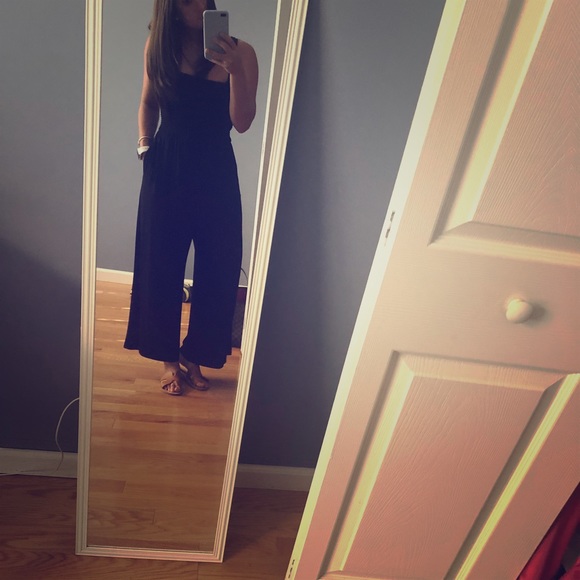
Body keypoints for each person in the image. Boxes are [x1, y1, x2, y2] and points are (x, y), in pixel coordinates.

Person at [124, 0, 259, 395]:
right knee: (159, 262)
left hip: (215, 168)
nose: (197, 5)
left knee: (219, 264)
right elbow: (148, 102)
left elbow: (242, 122)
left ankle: (194, 355)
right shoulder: (157, 47)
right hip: (165, 165)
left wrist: (235, 71)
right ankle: (168, 359)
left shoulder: (242, 52)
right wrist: (145, 147)